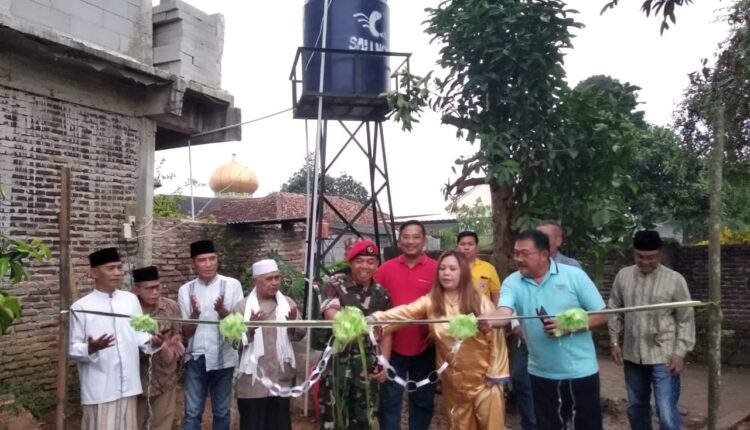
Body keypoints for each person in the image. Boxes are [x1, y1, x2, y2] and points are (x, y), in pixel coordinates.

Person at [481, 230, 608, 430]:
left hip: (580, 372)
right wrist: (489, 320)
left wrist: (567, 326)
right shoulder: (512, 282)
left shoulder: (574, 276)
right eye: (516, 253)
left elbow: (603, 314)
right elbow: (504, 312)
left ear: (544, 254)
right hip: (540, 373)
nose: (518, 259)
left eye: (525, 253)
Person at [371, 250, 510, 430]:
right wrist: (374, 320)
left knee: (490, 425)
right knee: (459, 425)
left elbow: (497, 341)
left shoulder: (480, 301)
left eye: (452, 269)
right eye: (442, 269)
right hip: (453, 381)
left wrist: (495, 374)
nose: (446, 273)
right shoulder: (432, 301)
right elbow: (405, 313)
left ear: (463, 272)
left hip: (485, 380)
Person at [70, 248, 177, 430]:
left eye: (119, 267)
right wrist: (90, 348)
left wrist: (153, 341)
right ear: (94, 273)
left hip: (129, 385)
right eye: (111, 268)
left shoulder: (130, 300)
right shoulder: (81, 307)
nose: (117, 273)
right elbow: (72, 348)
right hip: (100, 388)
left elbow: (138, 334)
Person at [608, 230, 695, 430]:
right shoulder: (623, 276)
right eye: (640, 256)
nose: (645, 261)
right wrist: (614, 342)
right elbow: (614, 310)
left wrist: (680, 352)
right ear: (633, 253)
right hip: (632, 354)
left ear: (660, 254)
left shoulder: (675, 280)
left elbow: (685, 318)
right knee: (636, 407)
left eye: (651, 257)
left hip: (664, 356)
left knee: (666, 410)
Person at [506, 221, 582, 430]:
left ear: (558, 241)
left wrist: (565, 326)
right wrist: (516, 326)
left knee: (561, 385)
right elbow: (511, 300)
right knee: (521, 378)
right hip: (528, 339)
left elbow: (582, 306)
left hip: (560, 339)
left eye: (544, 238)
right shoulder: (522, 269)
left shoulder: (571, 268)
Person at [319, 240, 392, 429]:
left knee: (364, 419)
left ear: (377, 265)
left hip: (367, 366)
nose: (364, 266)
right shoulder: (335, 284)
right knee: (334, 417)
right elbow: (330, 310)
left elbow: (387, 331)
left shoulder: (381, 293)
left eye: (370, 261)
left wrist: (384, 362)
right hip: (337, 363)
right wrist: (348, 321)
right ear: (350, 262)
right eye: (359, 261)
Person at [375, 220, 437, 430]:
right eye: (406, 237)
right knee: (389, 402)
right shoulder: (385, 269)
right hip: (392, 348)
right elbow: (374, 301)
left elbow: (446, 303)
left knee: (423, 401)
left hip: (425, 347)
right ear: (399, 241)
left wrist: (436, 331)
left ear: (424, 241)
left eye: (416, 237)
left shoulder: (437, 269)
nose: (411, 241)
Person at [178, 239, 244, 430]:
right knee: (192, 412)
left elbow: (238, 327)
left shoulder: (232, 285)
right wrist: (195, 315)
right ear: (193, 263)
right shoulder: (186, 290)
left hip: (224, 357)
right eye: (202, 260)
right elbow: (185, 332)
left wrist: (222, 311)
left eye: (212, 258)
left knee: (222, 412)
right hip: (196, 358)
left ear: (217, 259)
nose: (208, 264)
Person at [233, 259, 305, 430]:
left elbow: (299, 335)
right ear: (255, 281)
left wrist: (293, 324)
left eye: (277, 278)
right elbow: (233, 342)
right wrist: (249, 329)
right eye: (269, 279)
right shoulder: (242, 307)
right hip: (252, 383)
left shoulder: (288, 303)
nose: (274, 282)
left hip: (280, 380)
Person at [132, 265, 184, 430]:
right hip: (138, 381)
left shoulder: (171, 307)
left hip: (165, 378)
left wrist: (175, 342)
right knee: (134, 424)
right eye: (149, 288)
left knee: (162, 424)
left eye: (157, 287)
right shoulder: (130, 310)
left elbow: (178, 333)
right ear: (137, 289)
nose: (155, 292)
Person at [456, 230, 501, 304]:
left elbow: (496, 296)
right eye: (462, 244)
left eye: (470, 244)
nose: (466, 247)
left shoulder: (489, 268)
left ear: (477, 248)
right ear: (457, 247)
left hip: (483, 310)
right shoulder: (451, 268)